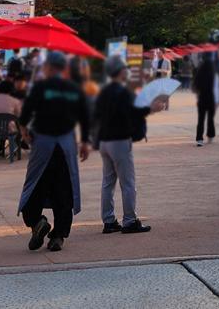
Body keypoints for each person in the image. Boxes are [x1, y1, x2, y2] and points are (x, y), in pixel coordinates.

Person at [17, 52, 91, 253]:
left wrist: (23, 130)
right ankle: (58, 235)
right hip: (66, 145)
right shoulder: (74, 88)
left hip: (43, 143)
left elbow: (25, 114)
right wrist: (85, 141)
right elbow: (84, 115)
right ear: (64, 69)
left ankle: (37, 221)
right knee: (64, 190)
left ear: (49, 68)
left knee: (34, 186)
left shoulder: (40, 87)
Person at [92, 55, 167, 234]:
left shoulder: (104, 91)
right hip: (119, 140)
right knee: (127, 182)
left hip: (104, 141)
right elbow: (133, 110)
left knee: (107, 182)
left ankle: (109, 220)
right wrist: (152, 108)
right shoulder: (123, 92)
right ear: (120, 71)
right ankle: (129, 220)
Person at [191, 53, 217, 146]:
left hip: (202, 97)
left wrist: (198, 92)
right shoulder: (213, 70)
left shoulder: (199, 70)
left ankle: (199, 139)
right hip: (211, 97)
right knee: (210, 118)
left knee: (201, 119)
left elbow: (195, 85)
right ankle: (210, 135)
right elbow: (216, 86)